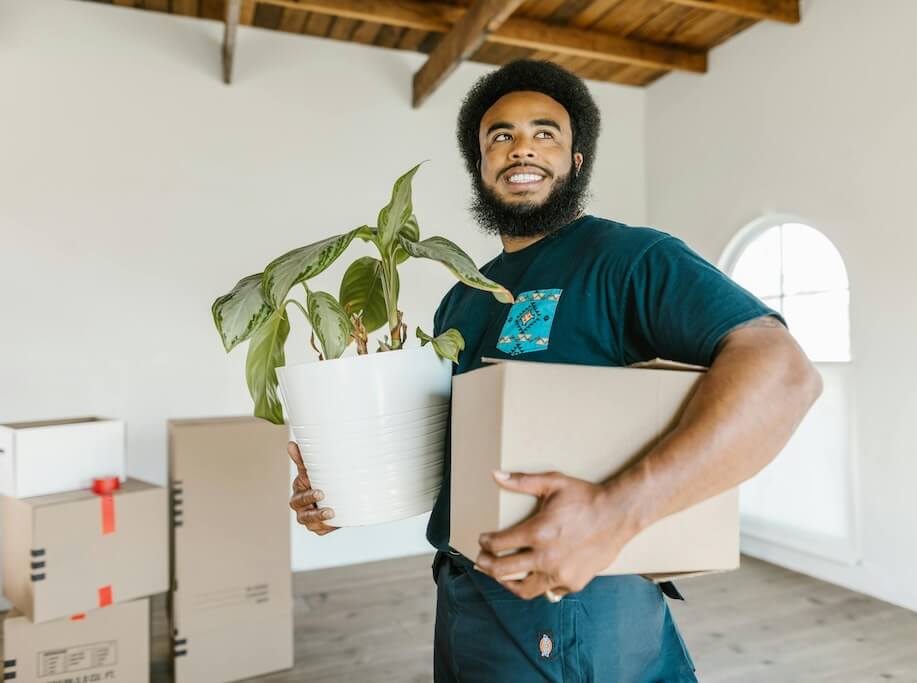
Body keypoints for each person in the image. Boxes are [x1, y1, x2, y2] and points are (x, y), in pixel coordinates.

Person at [288, 59, 822, 682]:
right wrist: (344, 486)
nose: (522, 148)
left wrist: (618, 512)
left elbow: (785, 373)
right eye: (500, 136)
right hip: (463, 590)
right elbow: (459, 450)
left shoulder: (628, 257)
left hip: (574, 600)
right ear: (481, 167)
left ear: (576, 160)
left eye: (546, 133)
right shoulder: (465, 296)